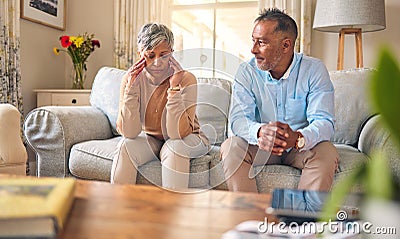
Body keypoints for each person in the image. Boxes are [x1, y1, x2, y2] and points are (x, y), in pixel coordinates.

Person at [220, 8, 338, 193]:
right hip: (261, 147)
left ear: (286, 45)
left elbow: (324, 122)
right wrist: (260, 132)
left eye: (261, 42)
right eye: (253, 41)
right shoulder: (246, 72)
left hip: (300, 147)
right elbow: (238, 121)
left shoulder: (314, 70)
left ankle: (303, 220)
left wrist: (298, 138)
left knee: (326, 152)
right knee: (231, 147)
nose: (253, 49)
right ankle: (249, 218)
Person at [110, 23, 210, 191]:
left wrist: (174, 89)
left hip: (188, 137)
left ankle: (172, 214)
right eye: (150, 55)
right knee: (125, 145)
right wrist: (131, 90)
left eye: (163, 55)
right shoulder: (130, 79)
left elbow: (177, 133)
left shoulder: (186, 79)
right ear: (139, 54)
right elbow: (129, 132)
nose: (157, 63)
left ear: (172, 53)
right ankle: (120, 210)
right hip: (153, 138)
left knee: (174, 147)